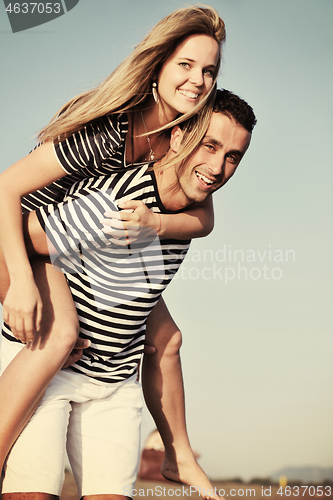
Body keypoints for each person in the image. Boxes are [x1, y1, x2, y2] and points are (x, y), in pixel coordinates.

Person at [0, 3, 225, 488]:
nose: (198, 80)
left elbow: (204, 218)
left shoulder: (181, 140)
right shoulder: (110, 130)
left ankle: (178, 454)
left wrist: (156, 226)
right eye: (186, 65)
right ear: (159, 63)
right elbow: (6, 189)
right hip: (19, 237)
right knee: (60, 337)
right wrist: (19, 283)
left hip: (82, 248)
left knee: (167, 338)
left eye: (209, 70)